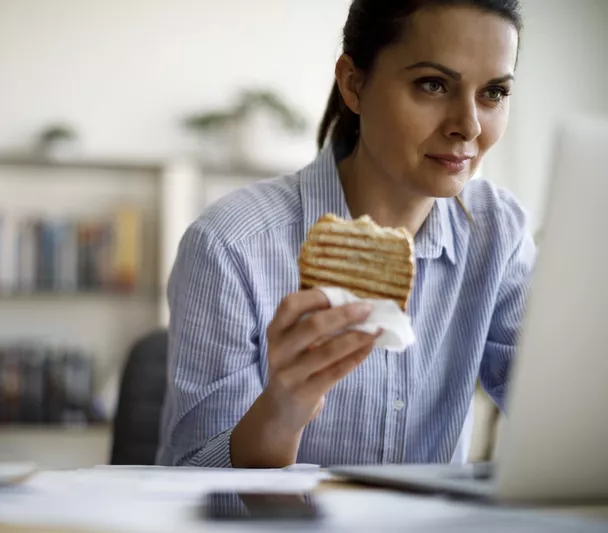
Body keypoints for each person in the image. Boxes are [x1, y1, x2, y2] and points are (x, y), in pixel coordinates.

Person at [157, 0, 534, 469]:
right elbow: (190, 480)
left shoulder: (501, 233)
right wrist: (282, 413)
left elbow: (563, 420)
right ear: (354, 84)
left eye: (494, 93)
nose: (469, 126)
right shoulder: (229, 245)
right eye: (433, 85)